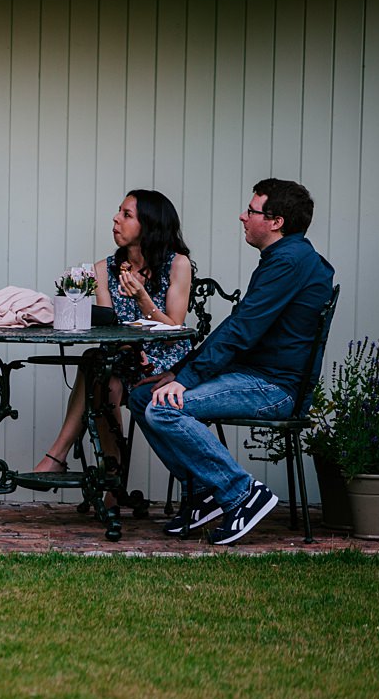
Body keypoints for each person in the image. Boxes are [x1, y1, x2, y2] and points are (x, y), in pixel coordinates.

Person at [129, 178, 335, 546]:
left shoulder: (289, 262)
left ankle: (242, 493)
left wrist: (187, 378)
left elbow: (241, 330)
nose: (243, 216)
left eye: (252, 210)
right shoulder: (284, 258)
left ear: (276, 221)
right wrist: (177, 372)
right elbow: (239, 329)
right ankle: (203, 494)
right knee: (143, 396)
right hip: (251, 375)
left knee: (163, 409)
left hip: (274, 387)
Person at [34, 190, 193, 473]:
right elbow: (111, 329)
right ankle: (109, 477)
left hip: (166, 364)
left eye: (126, 214)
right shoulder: (104, 270)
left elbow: (174, 330)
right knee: (101, 370)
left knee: (100, 372)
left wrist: (143, 299)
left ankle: (63, 460)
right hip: (123, 358)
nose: (116, 219)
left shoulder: (177, 264)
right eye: (119, 212)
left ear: (149, 225)